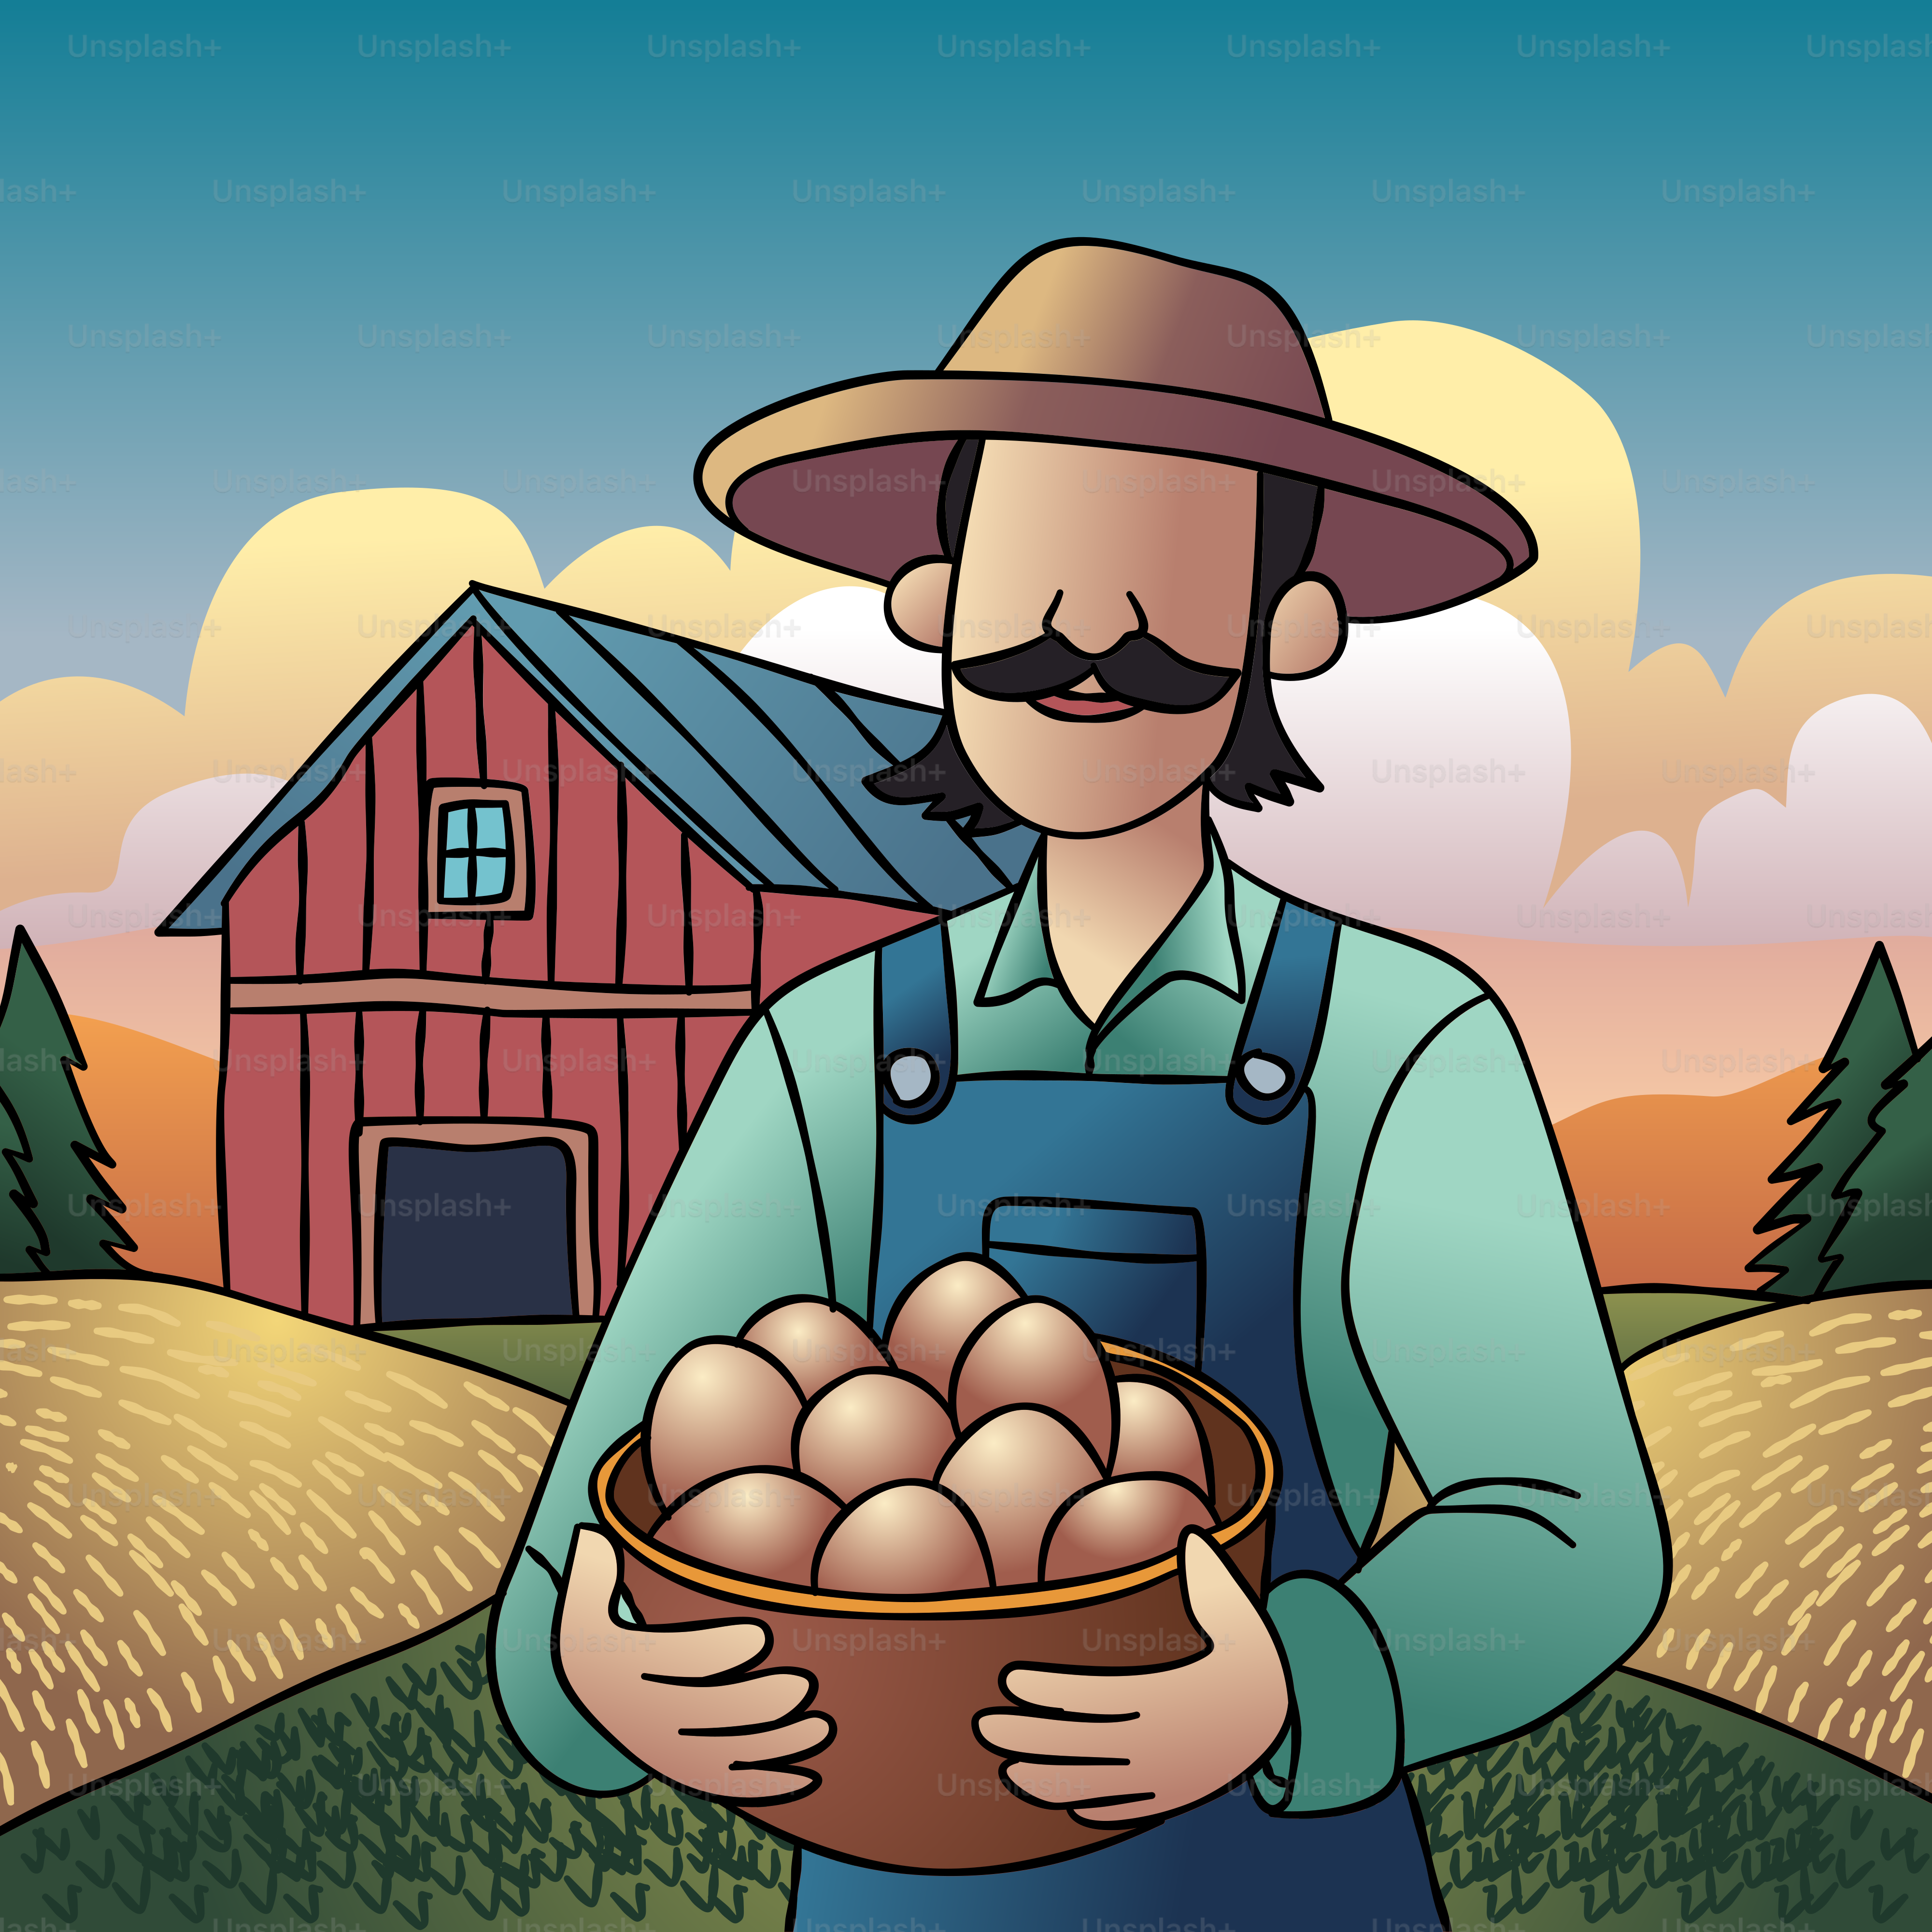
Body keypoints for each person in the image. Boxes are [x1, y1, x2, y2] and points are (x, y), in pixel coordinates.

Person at [490, 238, 1667, 1932]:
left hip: (1285, 1882)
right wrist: (590, 1673)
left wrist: (1302, 1688)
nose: (1086, 633)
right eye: (1034, 565)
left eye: (1164, 572)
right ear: (935, 601)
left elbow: (1570, 1528)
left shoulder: (1402, 1045)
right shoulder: (831, 1052)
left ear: (1288, 625)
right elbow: (620, 1493)